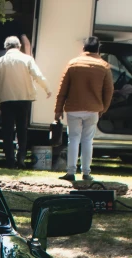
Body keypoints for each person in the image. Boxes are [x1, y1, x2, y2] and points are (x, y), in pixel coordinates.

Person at [54, 36, 114, 181]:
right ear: (98, 49)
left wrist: (58, 109)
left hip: (73, 108)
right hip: (93, 109)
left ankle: (70, 172)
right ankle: (86, 172)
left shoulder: (73, 64)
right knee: (88, 140)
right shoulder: (104, 66)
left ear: (83, 49)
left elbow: (63, 88)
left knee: (73, 139)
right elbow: (109, 90)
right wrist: (103, 108)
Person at [0, 36, 51, 169]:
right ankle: (21, 159)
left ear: (6, 47)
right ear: (19, 46)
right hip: (24, 99)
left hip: (6, 100)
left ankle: (10, 161)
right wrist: (47, 88)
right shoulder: (27, 59)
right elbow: (37, 75)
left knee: (7, 131)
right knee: (22, 130)